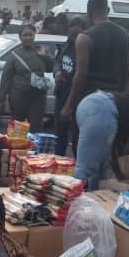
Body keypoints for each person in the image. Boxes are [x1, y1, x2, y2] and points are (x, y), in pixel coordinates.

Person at [64, 0, 129, 188]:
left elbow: (80, 75)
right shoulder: (124, 35)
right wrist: (121, 96)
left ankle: (80, 199)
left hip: (89, 103)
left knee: (84, 159)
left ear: (89, 12)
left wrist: (68, 106)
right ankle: (98, 198)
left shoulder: (85, 37)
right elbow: (128, 71)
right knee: (105, 156)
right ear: (107, 11)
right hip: (115, 101)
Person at [0, 25, 53, 133]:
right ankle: (17, 149)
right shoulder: (15, 55)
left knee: (36, 128)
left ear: (34, 36)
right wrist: (2, 98)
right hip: (18, 97)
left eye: (31, 35)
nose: (28, 37)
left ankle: (33, 149)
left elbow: (50, 68)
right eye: (25, 35)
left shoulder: (41, 51)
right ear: (20, 37)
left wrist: (44, 56)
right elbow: (6, 77)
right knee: (17, 129)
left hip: (38, 97)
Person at [53, 17, 87, 156]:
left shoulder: (85, 50)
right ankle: (58, 164)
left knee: (77, 137)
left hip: (77, 98)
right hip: (61, 93)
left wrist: (69, 106)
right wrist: (57, 72)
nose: (73, 38)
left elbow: (81, 75)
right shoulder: (66, 45)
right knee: (59, 136)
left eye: (76, 35)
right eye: (71, 34)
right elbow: (56, 62)